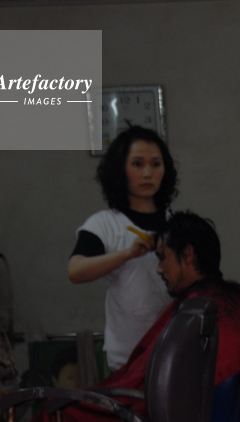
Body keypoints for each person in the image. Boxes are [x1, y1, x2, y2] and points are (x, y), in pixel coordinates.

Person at [6, 211, 240, 422]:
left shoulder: (195, 316)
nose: (159, 270)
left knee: (55, 418)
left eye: (162, 257)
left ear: (187, 254)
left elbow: (144, 390)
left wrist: (74, 402)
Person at [68, 125, 178, 371]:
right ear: (120, 170)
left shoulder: (176, 224)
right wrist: (128, 254)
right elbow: (75, 271)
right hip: (127, 362)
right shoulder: (104, 224)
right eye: (137, 164)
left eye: (156, 164)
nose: (147, 173)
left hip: (175, 358)